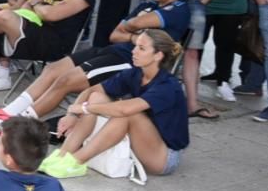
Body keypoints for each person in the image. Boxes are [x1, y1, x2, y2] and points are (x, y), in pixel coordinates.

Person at [0, 0, 191, 122]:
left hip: (131, 62)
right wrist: (134, 36)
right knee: (53, 69)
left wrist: (132, 28)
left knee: (66, 80)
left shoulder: (180, 10)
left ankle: (17, 123)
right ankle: (7, 112)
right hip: (114, 49)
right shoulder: (147, 6)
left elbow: (134, 23)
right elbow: (115, 35)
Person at [37, 30, 188, 179]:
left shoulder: (167, 86)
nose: (134, 51)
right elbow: (92, 90)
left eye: (141, 48)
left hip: (164, 157)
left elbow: (125, 110)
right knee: (96, 97)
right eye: (135, 46)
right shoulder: (136, 73)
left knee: (128, 113)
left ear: (158, 55)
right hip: (140, 140)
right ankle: (63, 155)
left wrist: (84, 108)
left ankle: (76, 161)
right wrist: (72, 114)